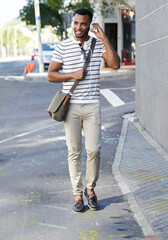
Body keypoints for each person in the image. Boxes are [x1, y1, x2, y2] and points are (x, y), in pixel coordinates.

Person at [48, 8, 120, 213]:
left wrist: (104, 36)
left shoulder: (97, 45)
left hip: (92, 106)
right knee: (74, 151)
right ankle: (78, 194)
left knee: (94, 150)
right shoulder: (63, 46)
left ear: (90, 24)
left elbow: (115, 64)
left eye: (83, 24)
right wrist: (73, 74)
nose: (79, 27)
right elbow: (51, 75)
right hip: (69, 106)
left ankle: (91, 189)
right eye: (76, 23)